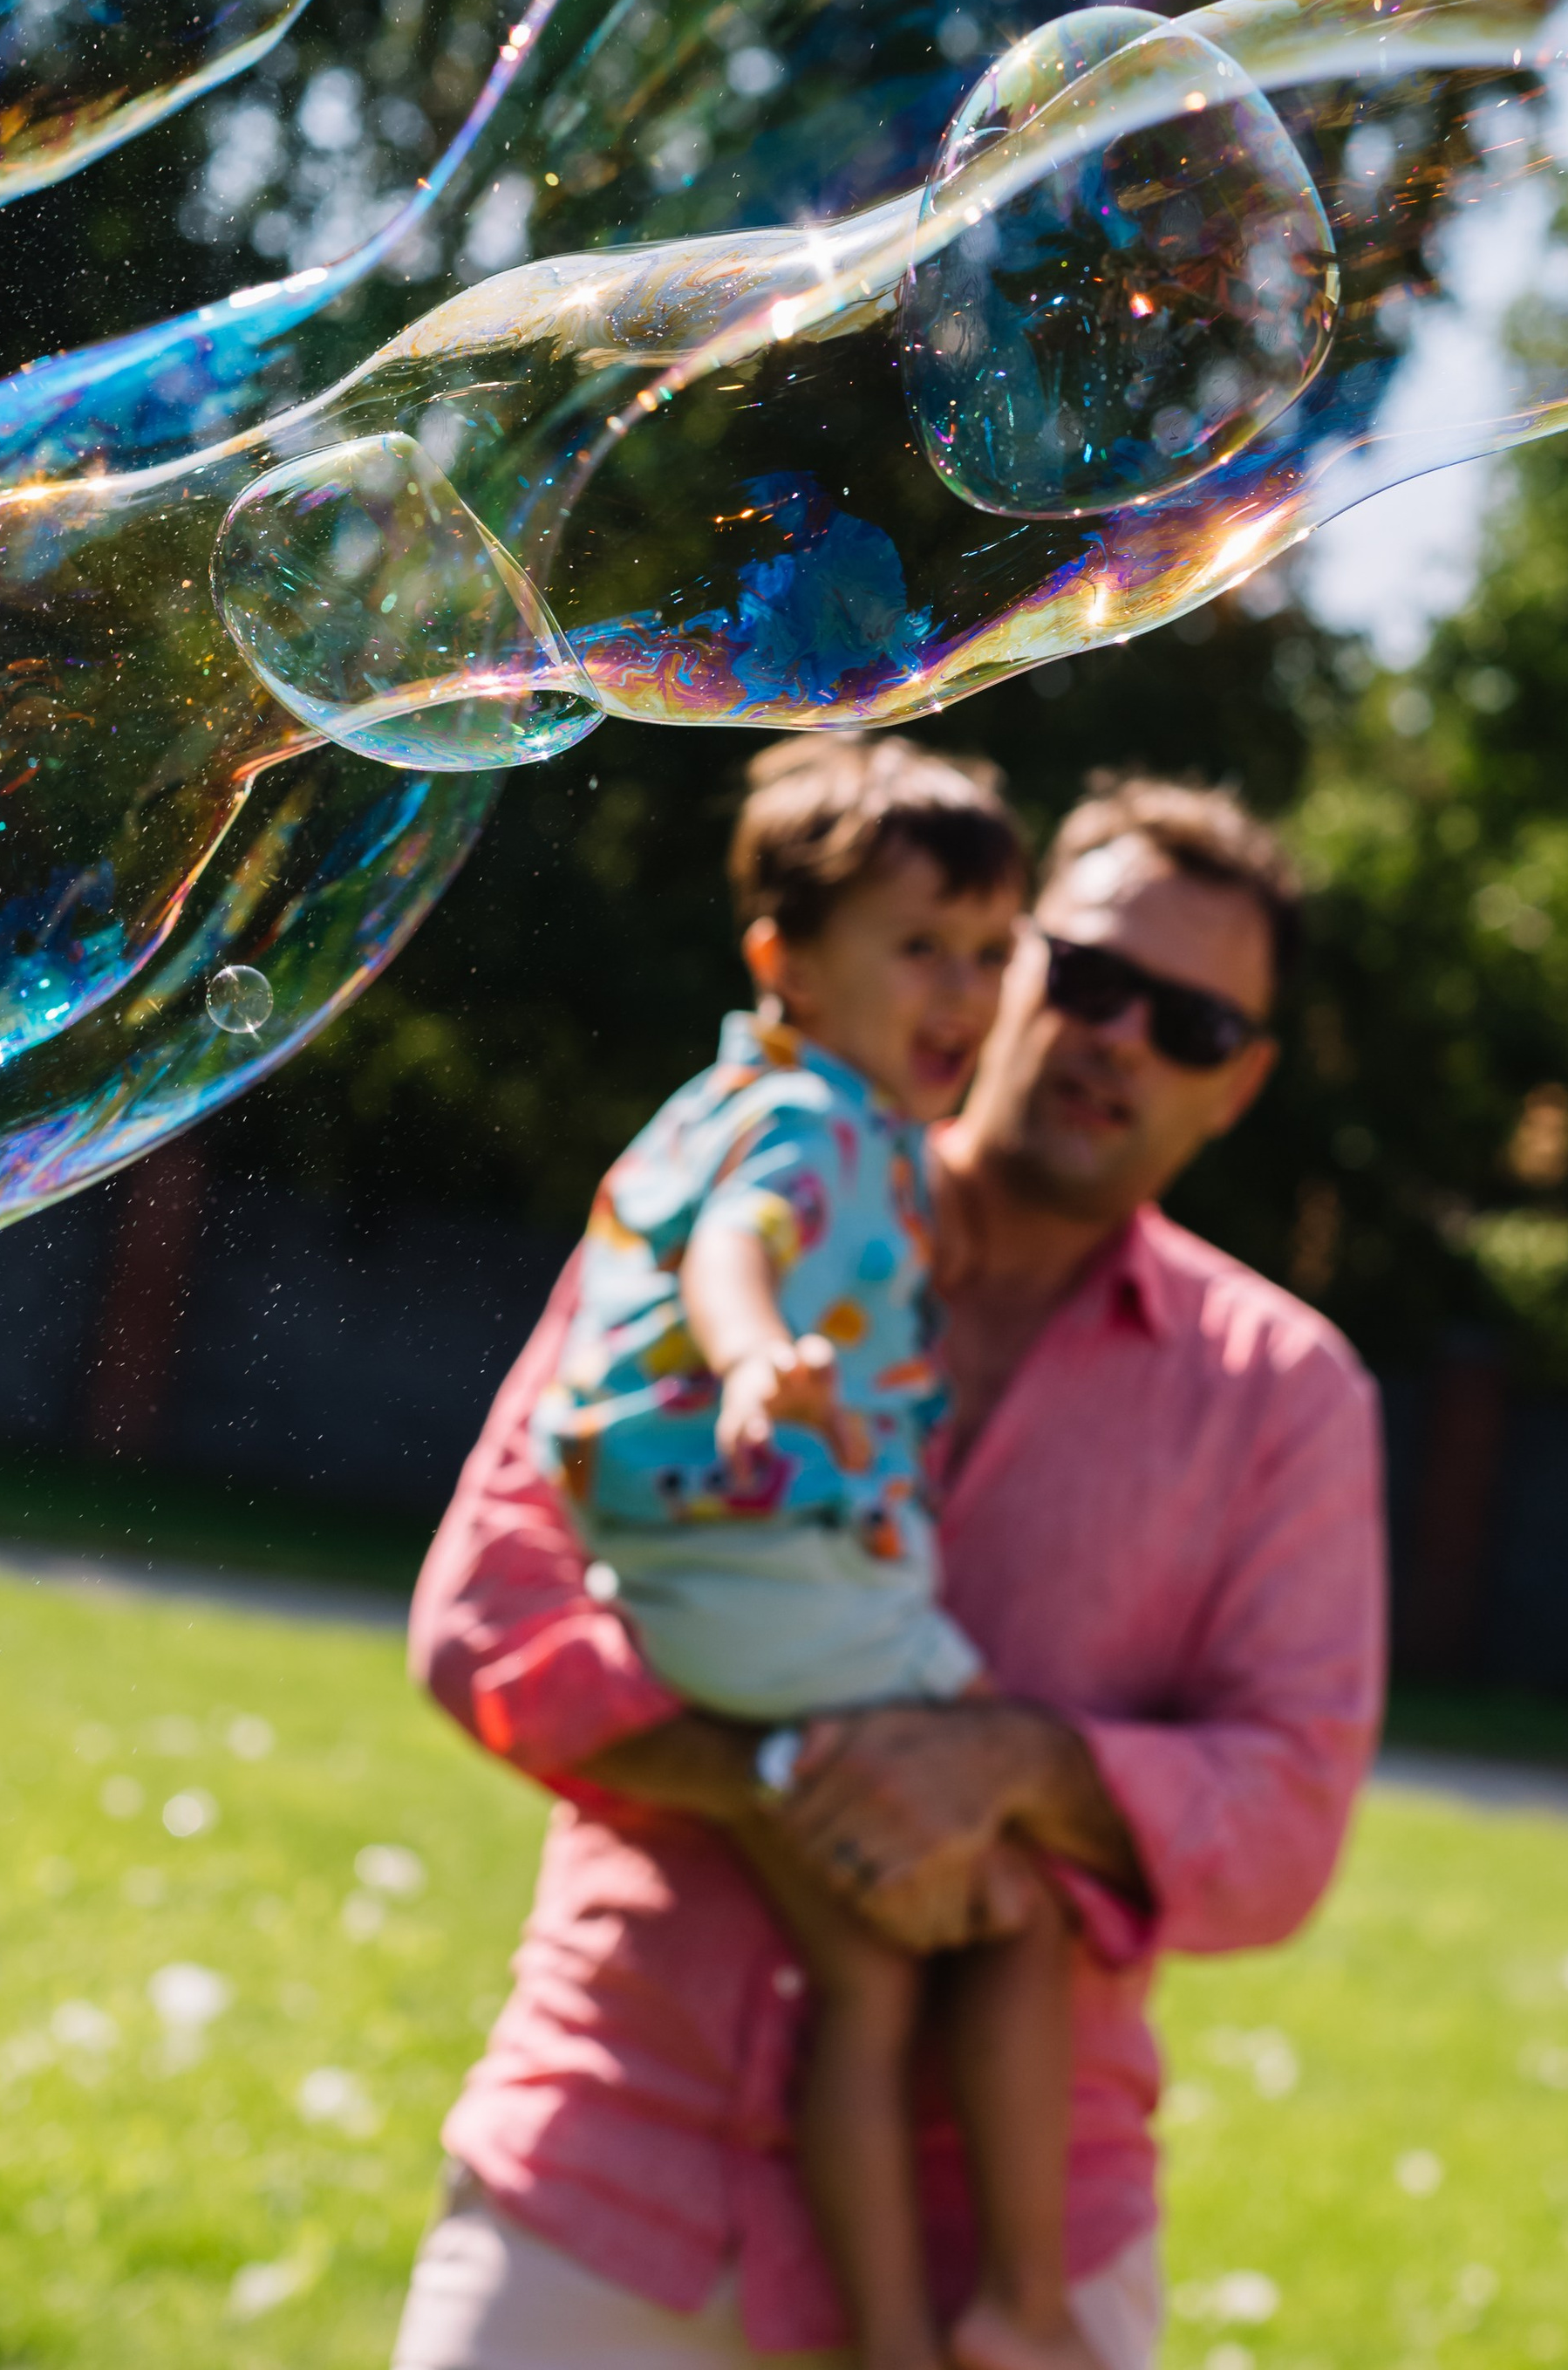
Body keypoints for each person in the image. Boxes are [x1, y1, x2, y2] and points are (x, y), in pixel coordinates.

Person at [395, 770, 1386, 2370]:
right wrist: (788, 1781)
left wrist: (1006, 1768)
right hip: (621, 2150)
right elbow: (485, 1618)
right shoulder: (738, 1190)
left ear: (1241, 1084)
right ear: (1008, 961)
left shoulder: (1286, 1394)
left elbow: (1282, 1825)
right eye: (1091, 975)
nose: (1123, 1036)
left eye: (1190, 1027)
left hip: (1009, 2238)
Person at [531, 734, 1094, 2370]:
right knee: (1024, 1911)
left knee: (865, 1983)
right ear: (786, 960)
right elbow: (740, 1242)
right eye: (920, 948)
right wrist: (757, 1346)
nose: (966, 993)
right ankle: (1029, 2312)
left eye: (993, 955)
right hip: (793, 1595)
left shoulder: (732, 1099)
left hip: (691, 1598)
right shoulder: (818, 1120)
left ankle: (900, 2348)